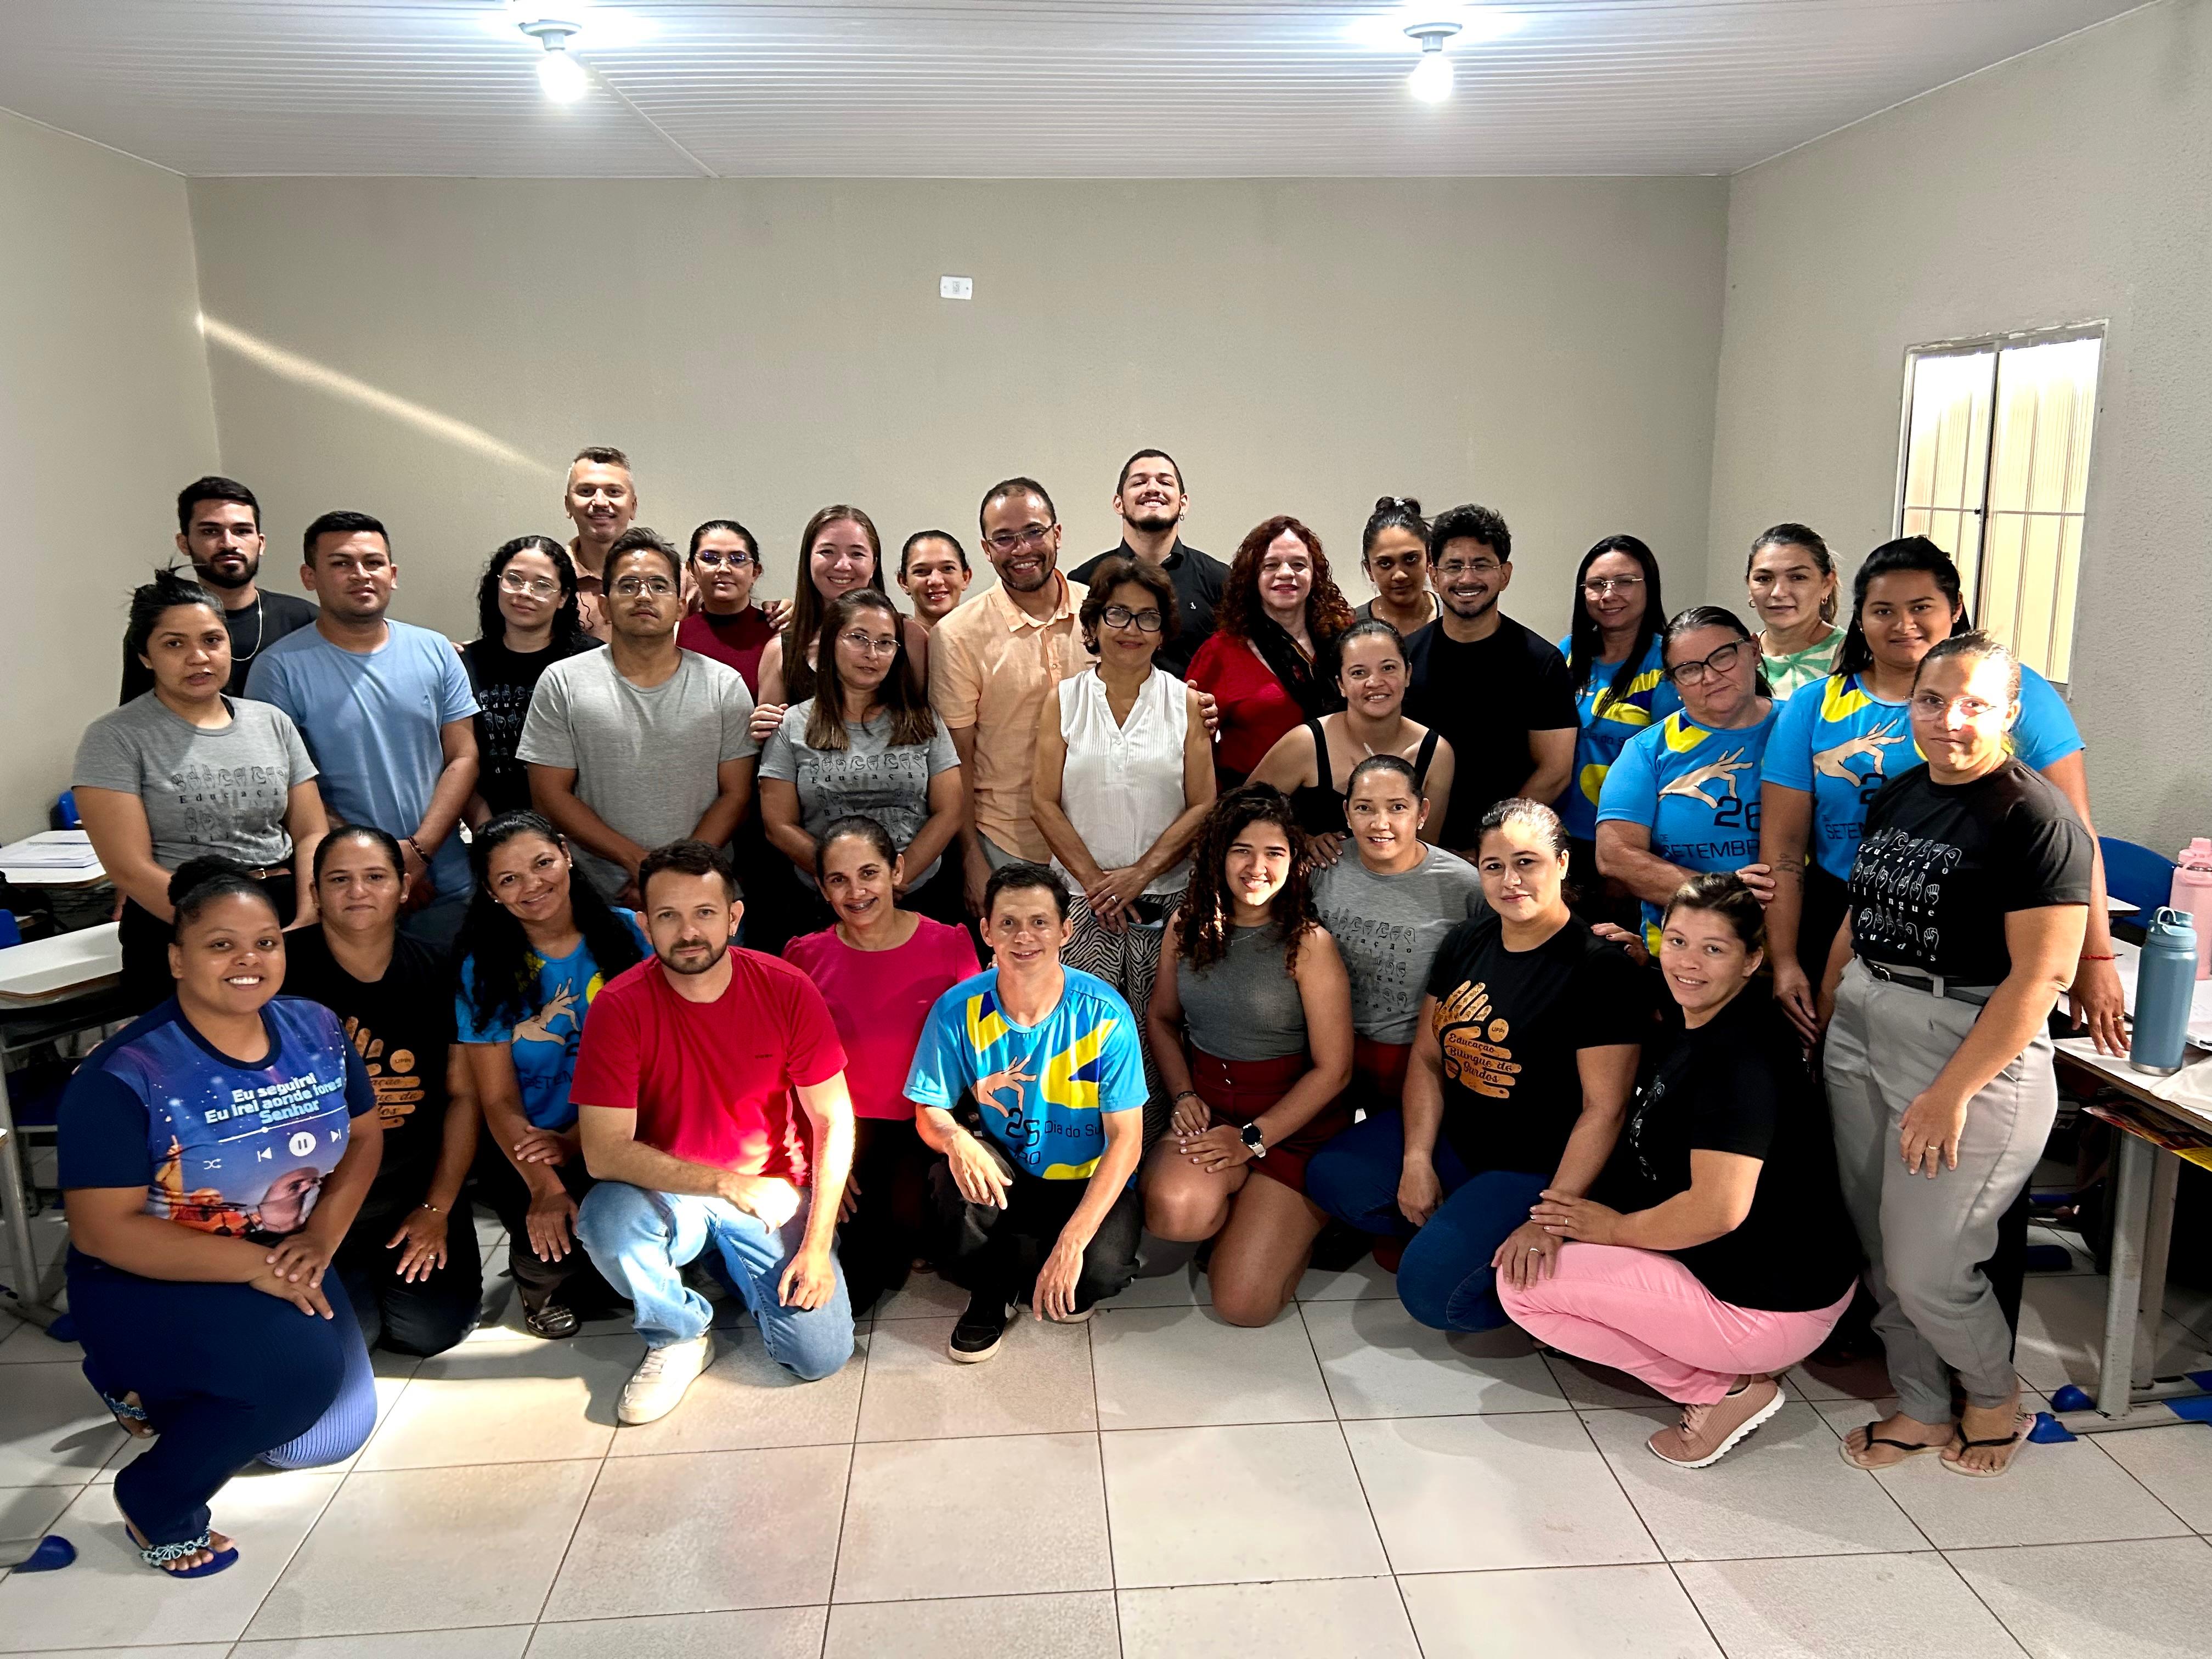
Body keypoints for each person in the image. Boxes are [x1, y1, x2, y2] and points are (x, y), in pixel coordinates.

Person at [58, 859, 383, 1577]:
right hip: (149, 1274)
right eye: (221, 945)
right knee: (295, 1380)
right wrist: (257, 1266)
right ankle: (156, 1497)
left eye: (266, 942)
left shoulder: (317, 1028)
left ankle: (159, 1391)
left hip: (282, 1251)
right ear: (177, 958)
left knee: (320, 1440)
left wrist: (321, 1236)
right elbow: (104, 1230)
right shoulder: (126, 1074)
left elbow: (364, 1137)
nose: (249, 960)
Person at [1820, 634, 2092, 1478]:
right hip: (1865, 1015)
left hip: (1966, 1044)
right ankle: (1923, 1405)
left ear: (2010, 711)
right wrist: (1833, 1007)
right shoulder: (1902, 791)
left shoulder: (2036, 818)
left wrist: (1950, 1093)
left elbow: (2042, 976)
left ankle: (1993, 1395)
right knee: (1879, 1244)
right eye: (1933, 701)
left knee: (1929, 1264)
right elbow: (1863, 909)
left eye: (1974, 703)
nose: (1948, 720)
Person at [1503, 873, 1859, 1466]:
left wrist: (1613, 1230)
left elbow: (1718, 1210)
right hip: (1780, 1273)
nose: (1688, 963)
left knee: (1522, 1290)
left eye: (1713, 949)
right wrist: (1644, 963)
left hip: (1772, 1304)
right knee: (1556, 1251)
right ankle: (1725, 1365)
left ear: (1752, 961)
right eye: (1677, 942)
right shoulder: (1711, 1013)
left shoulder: (1739, 1060)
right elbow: (1674, 987)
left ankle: (1725, 1390)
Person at [1759, 536, 2121, 1054]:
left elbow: (2075, 831)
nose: (1903, 624)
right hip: (1842, 915)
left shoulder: (2012, 693)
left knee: (1958, 1076)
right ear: (1860, 618)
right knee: (1836, 1074)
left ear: (1954, 610)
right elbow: (1784, 849)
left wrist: (2095, 956)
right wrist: (1786, 958)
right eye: (1883, 610)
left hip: (1978, 928)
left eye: (1921, 607)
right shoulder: (1815, 704)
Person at [1305, 800, 1648, 1331]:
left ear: (1562, 863)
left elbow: (1605, 1110)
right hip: (1461, 1140)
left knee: (1431, 1295)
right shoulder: (1467, 940)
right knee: (1333, 1176)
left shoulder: (1599, 969)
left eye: (1526, 862)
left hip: (1535, 1166)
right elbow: (1427, 1057)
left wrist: (1551, 1218)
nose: (1510, 880)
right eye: (1494, 866)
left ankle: (1559, 1287)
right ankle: (1466, 1226)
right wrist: (1417, 1159)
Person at [574, 839, 858, 1424]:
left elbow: (834, 1119)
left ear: (734, 916)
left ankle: (729, 1265)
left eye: (704, 913)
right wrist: (726, 1184)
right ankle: (677, 1334)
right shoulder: (619, 1007)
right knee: (606, 1219)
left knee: (819, 1356)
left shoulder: (786, 988)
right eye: (668, 916)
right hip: (673, 1193)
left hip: (774, 1193)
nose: (688, 932)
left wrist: (816, 1245)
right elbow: (603, 1153)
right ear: (644, 924)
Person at [904, 861, 1149, 1361]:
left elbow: (1127, 1139)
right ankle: (992, 1290)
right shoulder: (957, 1009)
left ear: (1065, 931)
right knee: (952, 1186)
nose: (1024, 937)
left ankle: (1042, 1258)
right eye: (1009, 923)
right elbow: (929, 1109)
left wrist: (1073, 1243)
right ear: (987, 931)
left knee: (1098, 1275)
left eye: (1039, 922)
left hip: (1084, 1174)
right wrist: (957, 1140)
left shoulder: (1105, 1014)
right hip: (1008, 1169)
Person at [1144, 787, 1354, 1325]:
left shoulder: (1310, 943)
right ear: (1219, 855)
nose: (1257, 867)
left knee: (1243, 1307)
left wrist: (1253, 1139)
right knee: (1175, 1214)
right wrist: (1183, 1094)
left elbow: (1335, 1071)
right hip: (1212, 1109)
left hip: (1291, 1127)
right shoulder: (1185, 926)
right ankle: (1239, 1211)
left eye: (1274, 853)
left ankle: (1294, 1219)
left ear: (1294, 861)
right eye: (1242, 850)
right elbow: (1162, 1019)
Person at [78, 571, 329, 1012]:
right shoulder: (115, 738)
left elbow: (311, 831)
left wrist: (309, 910)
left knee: (298, 1044)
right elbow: (130, 868)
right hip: (178, 920)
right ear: (145, 656)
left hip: (282, 914)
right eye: (174, 644)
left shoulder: (271, 721)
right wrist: (222, 931)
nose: (198, 657)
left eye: (212, 640)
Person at [285, 825, 483, 1358]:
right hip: (315, 1199)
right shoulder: (281, 970)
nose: (357, 892)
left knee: (432, 1331)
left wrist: (437, 1208)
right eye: (339, 880)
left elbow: (464, 1098)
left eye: (375, 877)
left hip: (413, 1190)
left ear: (403, 887)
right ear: (315, 892)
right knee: (355, 1333)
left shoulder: (441, 967)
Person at [245, 510, 480, 951]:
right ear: (309, 577)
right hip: (348, 890)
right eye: (341, 563)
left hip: (446, 878)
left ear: (393, 574)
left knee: (455, 991)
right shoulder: (278, 669)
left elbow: (463, 756)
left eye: (373, 563)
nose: (360, 574)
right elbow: (289, 787)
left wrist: (420, 852)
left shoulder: (435, 650)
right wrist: (380, 866)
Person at [1032, 556, 1216, 1114]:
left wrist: (1139, 875)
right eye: (1117, 614)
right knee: (1077, 1047)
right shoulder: (1064, 700)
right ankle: (1079, 1153)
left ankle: (1154, 1153)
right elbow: (1043, 801)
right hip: (1080, 904)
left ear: (1163, 631)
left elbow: (1204, 803)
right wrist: (1097, 884)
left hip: (1167, 902)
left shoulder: (1185, 702)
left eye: (1147, 617)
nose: (1131, 629)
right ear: (1093, 624)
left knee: (1158, 1040)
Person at [454, 811, 647, 1339]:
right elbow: (497, 1098)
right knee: (555, 1245)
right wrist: (545, 1186)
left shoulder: (632, 933)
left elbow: (658, 1061)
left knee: (624, 1267)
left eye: (542, 863)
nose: (532, 885)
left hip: (625, 1125)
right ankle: (537, 1284)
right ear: (491, 892)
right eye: (509, 879)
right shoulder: (482, 966)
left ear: (565, 853)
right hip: (531, 1141)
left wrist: (580, 1139)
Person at [785, 818, 980, 1313]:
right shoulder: (805, 957)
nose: (856, 892)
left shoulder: (949, 944)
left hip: (928, 1123)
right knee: (863, 1278)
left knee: (916, 1230)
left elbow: (979, 1047)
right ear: (822, 888)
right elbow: (787, 1072)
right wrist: (819, 1160)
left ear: (896, 872)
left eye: (869, 873)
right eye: (839, 880)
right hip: (848, 1131)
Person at [520, 527, 758, 906]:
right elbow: (549, 796)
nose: (643, 596)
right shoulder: (563, 681)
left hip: (704, 892)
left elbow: (737, 795)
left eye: (659, 586)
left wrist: (673, 873)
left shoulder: (723, 685)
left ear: (680, 606)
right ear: (604, 606)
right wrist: (636, 862)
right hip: (596, 897)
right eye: (628, 586)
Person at [932, 477, 1094, 913]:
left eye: (1034, 532)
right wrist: (971, 859)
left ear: (1057, 534)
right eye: (1004, 538)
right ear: (987, 550)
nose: (1022, 549)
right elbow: (957, 760)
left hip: (1100, 840)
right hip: (1007, 844)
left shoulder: (1101, 613)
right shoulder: (958, 635)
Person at [759, 589, 964, 935]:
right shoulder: (793, 724)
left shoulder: (923, 720)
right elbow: (778, 824)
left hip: (916, 896)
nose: (872, 654)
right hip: (824, 905)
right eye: (858, 638)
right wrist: (844, 881)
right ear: (831, 642)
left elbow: (950, 811)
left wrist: (895, 879)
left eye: (885, 643)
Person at [1310, 755, 1488, 1116]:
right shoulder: (1322, 865)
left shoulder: (1467, 886)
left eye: (1397, 808)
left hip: (1413, 1061)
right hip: (1322, 1051)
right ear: (1347, 813)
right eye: (1364, 808)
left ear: (1422, 812)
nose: (1381, 823)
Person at [1596, 607, 1779, 950]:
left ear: (1754, 650)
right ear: (1674, 682)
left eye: (1722, 657)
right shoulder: (1647, 750)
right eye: (1690, 669)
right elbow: (1614, 857)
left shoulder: (1802, 728)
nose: (1710, 676)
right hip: (1681, 954)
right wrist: (1722, 893)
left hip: (1800, 942)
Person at [1403, 504, 1578, 853]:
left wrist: (1490, 847)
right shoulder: (1404, 658)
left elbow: (1555, 771)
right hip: (1414, 847)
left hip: (1504, 853)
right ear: (1434, 576)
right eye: (1454, 566)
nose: (1467, 579)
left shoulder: (1542, 662)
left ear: (1505, 575)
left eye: (1481, 565)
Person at [1250, 618, 1454, 846]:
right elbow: (1238, 816)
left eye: (1388, 668)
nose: (1374, 682)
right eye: (1359, 673)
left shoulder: (1437, 753)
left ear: (1408, 674)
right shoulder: (1305, 742)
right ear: (1341, 685)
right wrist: (1302, 841)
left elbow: (1427, 851)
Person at [1557, 535, 1679, 911]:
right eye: (1597, 584)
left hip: (1629, 842)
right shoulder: (1568, 652)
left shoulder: (1668, 661)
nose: (1609, 594)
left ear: (1650, 587)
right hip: (1560, 837)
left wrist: (1636, 857)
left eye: (1626, 582)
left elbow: (1671, 769)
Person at [1186, 514, 1353, 787]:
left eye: (1298, 565)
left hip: (1341, 798)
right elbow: (1191, 743)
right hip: (1257, 801)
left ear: (1315, 574)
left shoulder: (1345, 639)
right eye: (1271, 565)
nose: (1285, 573)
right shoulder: (1221, 650)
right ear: (1252, 576)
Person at [121, 476, 317, 702]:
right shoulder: (160, 627)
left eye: (242, 531)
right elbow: (136, 715)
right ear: (184, 543)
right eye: (210, 531)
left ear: (261, 543)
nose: (229, 543)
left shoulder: (305, 620)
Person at [460, 535, 601, 821]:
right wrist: (489, 833)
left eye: (542, 585)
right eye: (514, 580)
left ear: (563, 598)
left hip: (582, 827)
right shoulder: (465, 664)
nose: (525, 593)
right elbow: (458, 760)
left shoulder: (594, 661)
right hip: (496, 827)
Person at [1067, 449, 1228, 678]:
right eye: (1139, 482)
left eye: (1165, 482)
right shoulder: (1083, 582)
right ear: (1118, 503)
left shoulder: (1220, 581)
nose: (1153, 488)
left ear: (1183, 503)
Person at [757, 504, 929, 710]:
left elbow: (928, 720)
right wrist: (763, 725)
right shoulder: (781, 650)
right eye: (827, 552)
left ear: (874, 565)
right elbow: (772, 728)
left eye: (856, 554)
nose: (842, 565)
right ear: (808, 560)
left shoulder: (910, 638)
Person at [676, 518, 777, 695]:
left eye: (737, 559)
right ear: (691, 569)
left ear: (755, 573)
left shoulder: (778, 631)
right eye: (710, 558)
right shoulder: (674, 636)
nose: (723, 569)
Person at [1745, 523, 1843, 699]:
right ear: (1749, 587)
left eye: (1798, 577)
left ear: (1826, 584)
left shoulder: (1855, 656)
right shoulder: (1737, 655)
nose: (1778, 593)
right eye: (1764, 579)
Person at [563, 445, 638, 639]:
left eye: (613, 492)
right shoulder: (550, 580)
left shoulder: (676, 580)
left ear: (633, 506)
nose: (600, 502)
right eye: (586, 491)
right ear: (568, 505)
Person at [1353, 496, 1438, 636]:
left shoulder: (1454, 614)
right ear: (1370, 570)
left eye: (1411, 559)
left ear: (1429, 560)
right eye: (1385, 564)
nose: (1399, 575)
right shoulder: (1351, 628)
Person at [897, 529, 974, 630]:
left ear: (965, 578)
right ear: (904, 582)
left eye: (948, 568)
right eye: (921, 571)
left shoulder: (987, 636)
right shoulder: (891, 638)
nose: (936, 581)